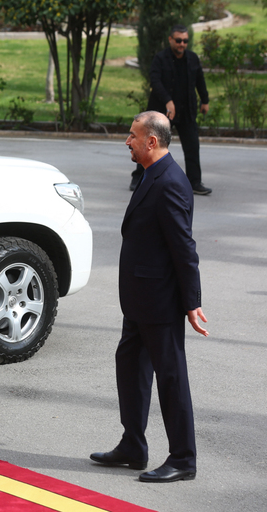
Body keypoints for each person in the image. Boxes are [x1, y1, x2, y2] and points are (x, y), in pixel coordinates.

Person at [91, 111, 209, 483]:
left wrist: (191, 302)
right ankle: (133, 445)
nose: (127, 141)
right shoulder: (151, 173)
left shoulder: (171, 182)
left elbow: (184, 248)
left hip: (160, 301)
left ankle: (183, 459)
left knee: (171, 378)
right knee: (129, 366)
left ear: (151, 141)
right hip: (139, 299)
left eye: (132, 136)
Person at [130, 24, 211, 195]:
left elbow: (200, 80)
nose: (182, 44)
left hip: (186, 110)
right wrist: (168, 101)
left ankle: (194, 182)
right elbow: (155, 81)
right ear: (170, 40)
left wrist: (205, 100)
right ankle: (138, 178)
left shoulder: (192, 58)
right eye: (179, 40)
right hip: (162, 112)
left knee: (192, 146)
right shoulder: (160, 58)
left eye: (185, 41)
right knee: (150, 144)